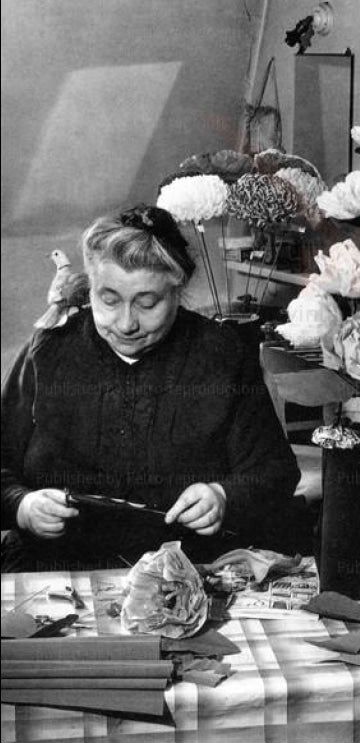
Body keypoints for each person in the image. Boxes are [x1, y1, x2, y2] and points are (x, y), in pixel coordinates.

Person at [1, 205, 302, 571]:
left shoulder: (221, 355)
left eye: (148, 303)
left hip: (189, 570)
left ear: (177, 291)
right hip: (55, 568)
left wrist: (223, 497)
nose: (126, 324)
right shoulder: (49, 349)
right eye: (108, 300)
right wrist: (21, 505)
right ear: (90, 287)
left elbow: (275, 471)